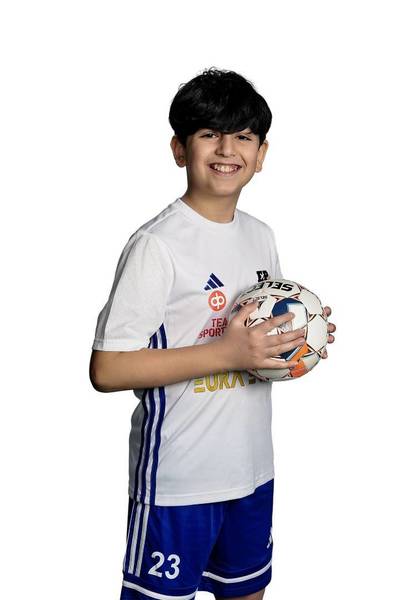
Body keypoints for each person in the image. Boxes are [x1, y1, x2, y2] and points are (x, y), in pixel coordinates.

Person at [89, 67, 336, 600]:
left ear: (262, 154)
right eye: (209, 133)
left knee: (246, 592)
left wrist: (295, 343)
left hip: (252, 471)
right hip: (178, 482)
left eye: (243, 136)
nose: (227, 149)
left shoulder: (260, 236)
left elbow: (255, 339)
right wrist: (228, 352)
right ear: (180, 149)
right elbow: (107, 370)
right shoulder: (157, 245)